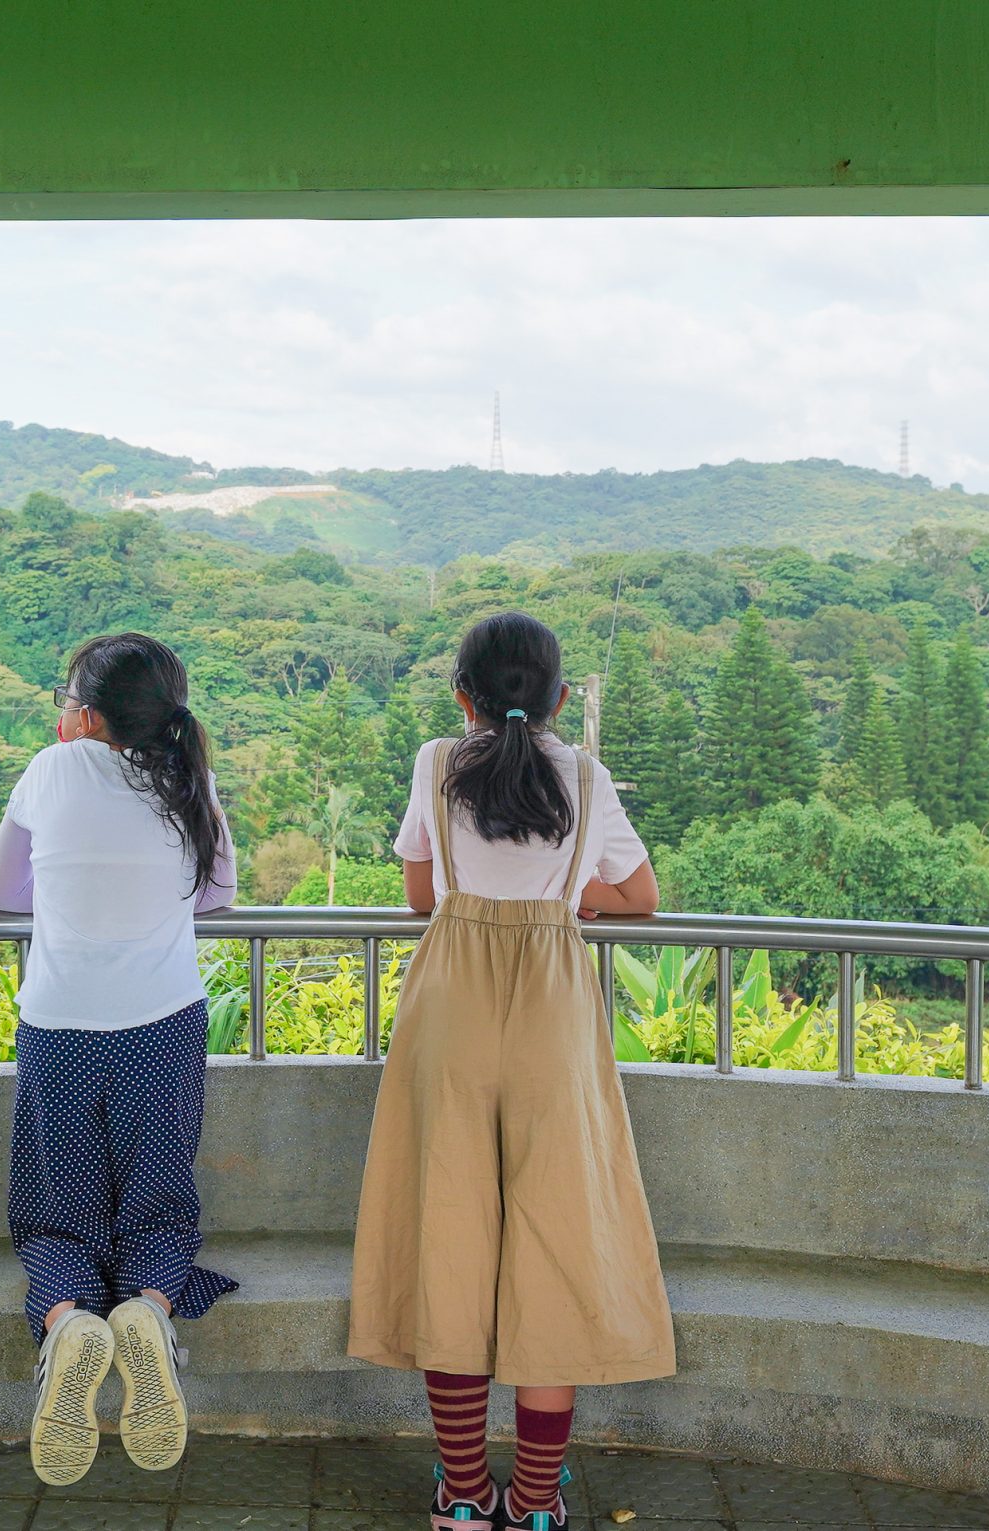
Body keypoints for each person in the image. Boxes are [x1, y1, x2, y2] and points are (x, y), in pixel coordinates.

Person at [348, 611, 675, 1530]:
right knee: (557, 1244)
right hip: (554, 1011)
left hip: (449, 998)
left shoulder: (434, 761)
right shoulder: (584, 773)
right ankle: (534, 1504)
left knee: (446, 1236)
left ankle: (461, 1496)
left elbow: (421, 892)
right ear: (561, 698)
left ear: (463, 698)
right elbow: (642, 897)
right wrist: (568, 893)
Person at [0, 632, 237, 1487]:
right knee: (159, 1201)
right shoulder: (185, 779)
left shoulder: (50, 771)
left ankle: (67, 1324)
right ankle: (150, 1309)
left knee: (57, 1211)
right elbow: (218, 891)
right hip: (161, 1023)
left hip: (57, 1025)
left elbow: (1, 894)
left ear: (83, 714)